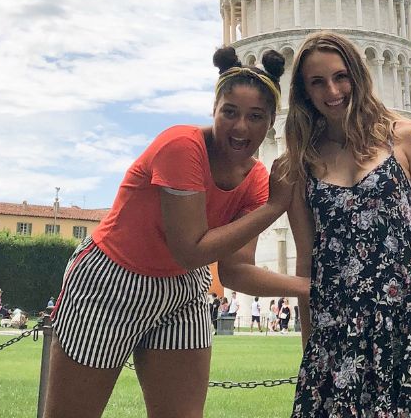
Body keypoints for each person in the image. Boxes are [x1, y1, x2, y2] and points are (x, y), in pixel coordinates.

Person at [44, 47, 309, 418]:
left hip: (183, 289)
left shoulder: (255, 181)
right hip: (111, 281)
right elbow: (189, 249)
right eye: (229, 112)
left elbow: (234, 271)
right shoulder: (182, 146)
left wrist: (310, 288)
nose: (241, 127)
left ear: (270, 123)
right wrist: (272, 208)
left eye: (255, 116)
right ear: (213, 110)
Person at [282, 31, 411, 416]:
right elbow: (307, 260)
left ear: (358, 75)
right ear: (304, 92)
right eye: (317, 81)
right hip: (340, 324)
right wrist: (309, 343)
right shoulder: (302, 164)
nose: (333, 90)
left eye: (340, 76)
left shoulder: (406, 139)